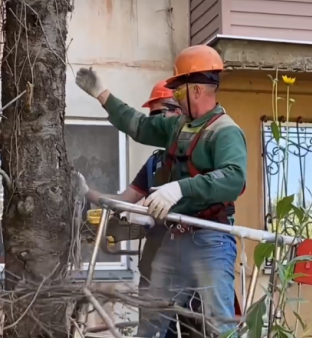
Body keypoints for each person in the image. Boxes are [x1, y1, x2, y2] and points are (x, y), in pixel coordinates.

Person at [75, 45, 247, 337]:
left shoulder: (225, 132)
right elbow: (140, 126)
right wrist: (103, 95)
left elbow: (234, 179)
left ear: (195, 91)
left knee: (219, 326)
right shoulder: (178, 127)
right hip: (174, 240)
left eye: (178, 92)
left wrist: (180, 188)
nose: (175, 98)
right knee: (151, 325)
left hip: (210, 240)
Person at [75, 80, 183, 327]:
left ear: (178, 112)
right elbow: (125, 201)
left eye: (159, 113)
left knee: (194, 325)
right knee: (153, 324)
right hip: (157, 251)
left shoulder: (196, 156)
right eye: (151, 115)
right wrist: (87, 191)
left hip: (192, 248)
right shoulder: (155, 162)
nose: (154, 120)